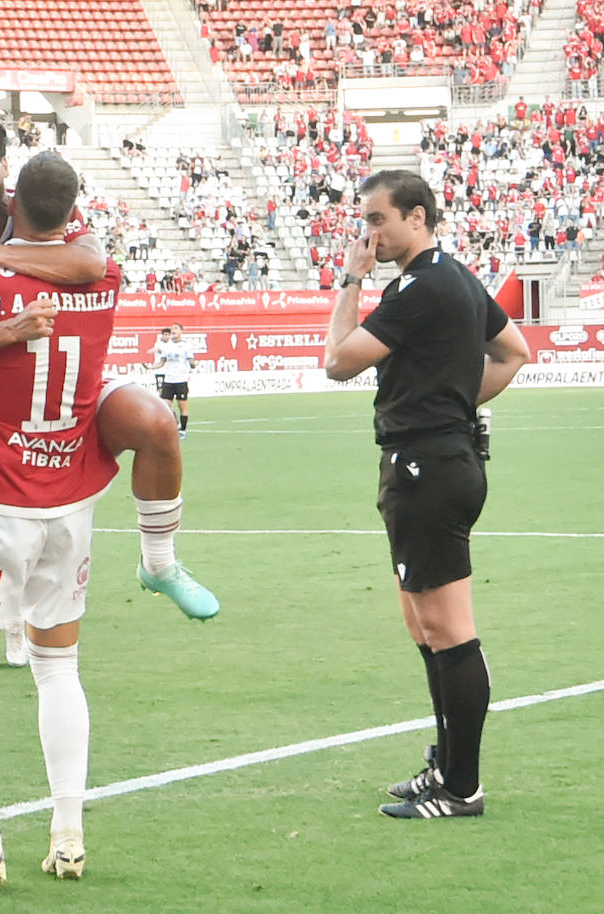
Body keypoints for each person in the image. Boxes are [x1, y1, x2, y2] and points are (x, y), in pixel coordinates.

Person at [0, 106, 217, 621]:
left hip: (62, 396)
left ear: (4, 166)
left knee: (157, 422)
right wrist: (12, 328)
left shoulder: (40, 205)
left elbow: (91, 262)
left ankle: (159, 563)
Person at [0, 151, 118, 889]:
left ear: (13, 197)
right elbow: (82, 260)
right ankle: (68, 829)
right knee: (57, 670)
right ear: (72, 210)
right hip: (68, 499)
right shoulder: (103, 277)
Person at [323, 170, 530, 818]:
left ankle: (461, 786)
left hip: (429, 468)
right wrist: (453, 402)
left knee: (447, 626)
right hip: (430, 460)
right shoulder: (458, 277)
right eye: (365, 222)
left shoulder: (423, 286)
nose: (369, 233)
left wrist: (351, 279)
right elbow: (514, 350)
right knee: (424, 621)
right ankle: (447, 763)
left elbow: (337, 359)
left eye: (378, 220)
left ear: (417, 216)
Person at [151, 323, 197, 437]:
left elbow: (191, 361)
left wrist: (193, 365)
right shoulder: (167, 346)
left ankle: (183, 430)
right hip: (169, 380)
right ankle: (174, 425)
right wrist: (151, 367)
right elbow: (162, 362)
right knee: (165, 405)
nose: (173, 330)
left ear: (181, 331)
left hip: (181, 380)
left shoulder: (186, 345)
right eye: (172, 329)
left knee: (182, 406)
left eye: (176, 328)